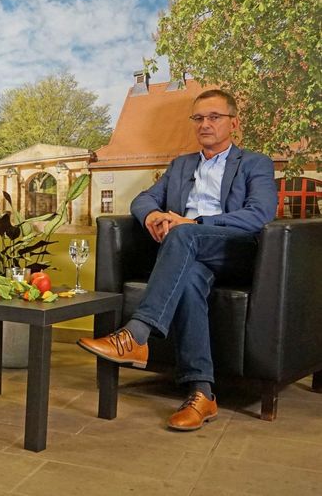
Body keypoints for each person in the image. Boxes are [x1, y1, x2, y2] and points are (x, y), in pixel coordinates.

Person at [77, 89, 277, 431]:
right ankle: (202, 392)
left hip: (234, 250)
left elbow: (258, 215)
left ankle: (136, 335)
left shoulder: (254, 163)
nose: (205, 124)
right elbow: (143, 199)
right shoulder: (182, 165)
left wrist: (194, 223)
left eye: (214, 117)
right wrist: (154, 214)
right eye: (198, 118)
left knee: (182, 234)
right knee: (190, 278)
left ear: (233, 123)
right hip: (188, 253)